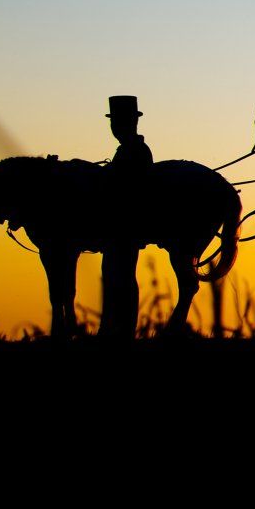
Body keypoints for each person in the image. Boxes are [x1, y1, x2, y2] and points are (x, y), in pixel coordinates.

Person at [101, 94, 153, 338]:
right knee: (115, 275)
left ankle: (122, 330)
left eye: (117, 122)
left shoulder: (135, 151)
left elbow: (130, 187)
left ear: (130, 123)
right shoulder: (129, 150)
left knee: (120, 275)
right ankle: (115, 328)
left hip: (126, 225)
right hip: (122, 225)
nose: (114, 127)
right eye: (113, 122)